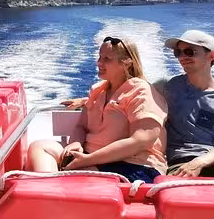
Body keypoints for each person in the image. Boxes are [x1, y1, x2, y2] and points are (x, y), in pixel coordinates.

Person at [27, 37, 168, 182]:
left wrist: (87, 160)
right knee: (40, 147)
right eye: (99, 57)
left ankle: (50, 195)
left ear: (127, 63)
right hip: (90, 158)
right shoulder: (97, 91)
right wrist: (75, 143)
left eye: (107, 59)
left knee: (76, 177)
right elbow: (82, 126)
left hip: (132, 164)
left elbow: (141, 140)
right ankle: (47, 194)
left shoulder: (141, 91)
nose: (99, 63)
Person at [159, 30, 214, 178]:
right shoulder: (168, 88)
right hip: (180, 164)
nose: (182, 57)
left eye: (189, 52)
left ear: (211, 56)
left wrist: (200, 162)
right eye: (178, 52)